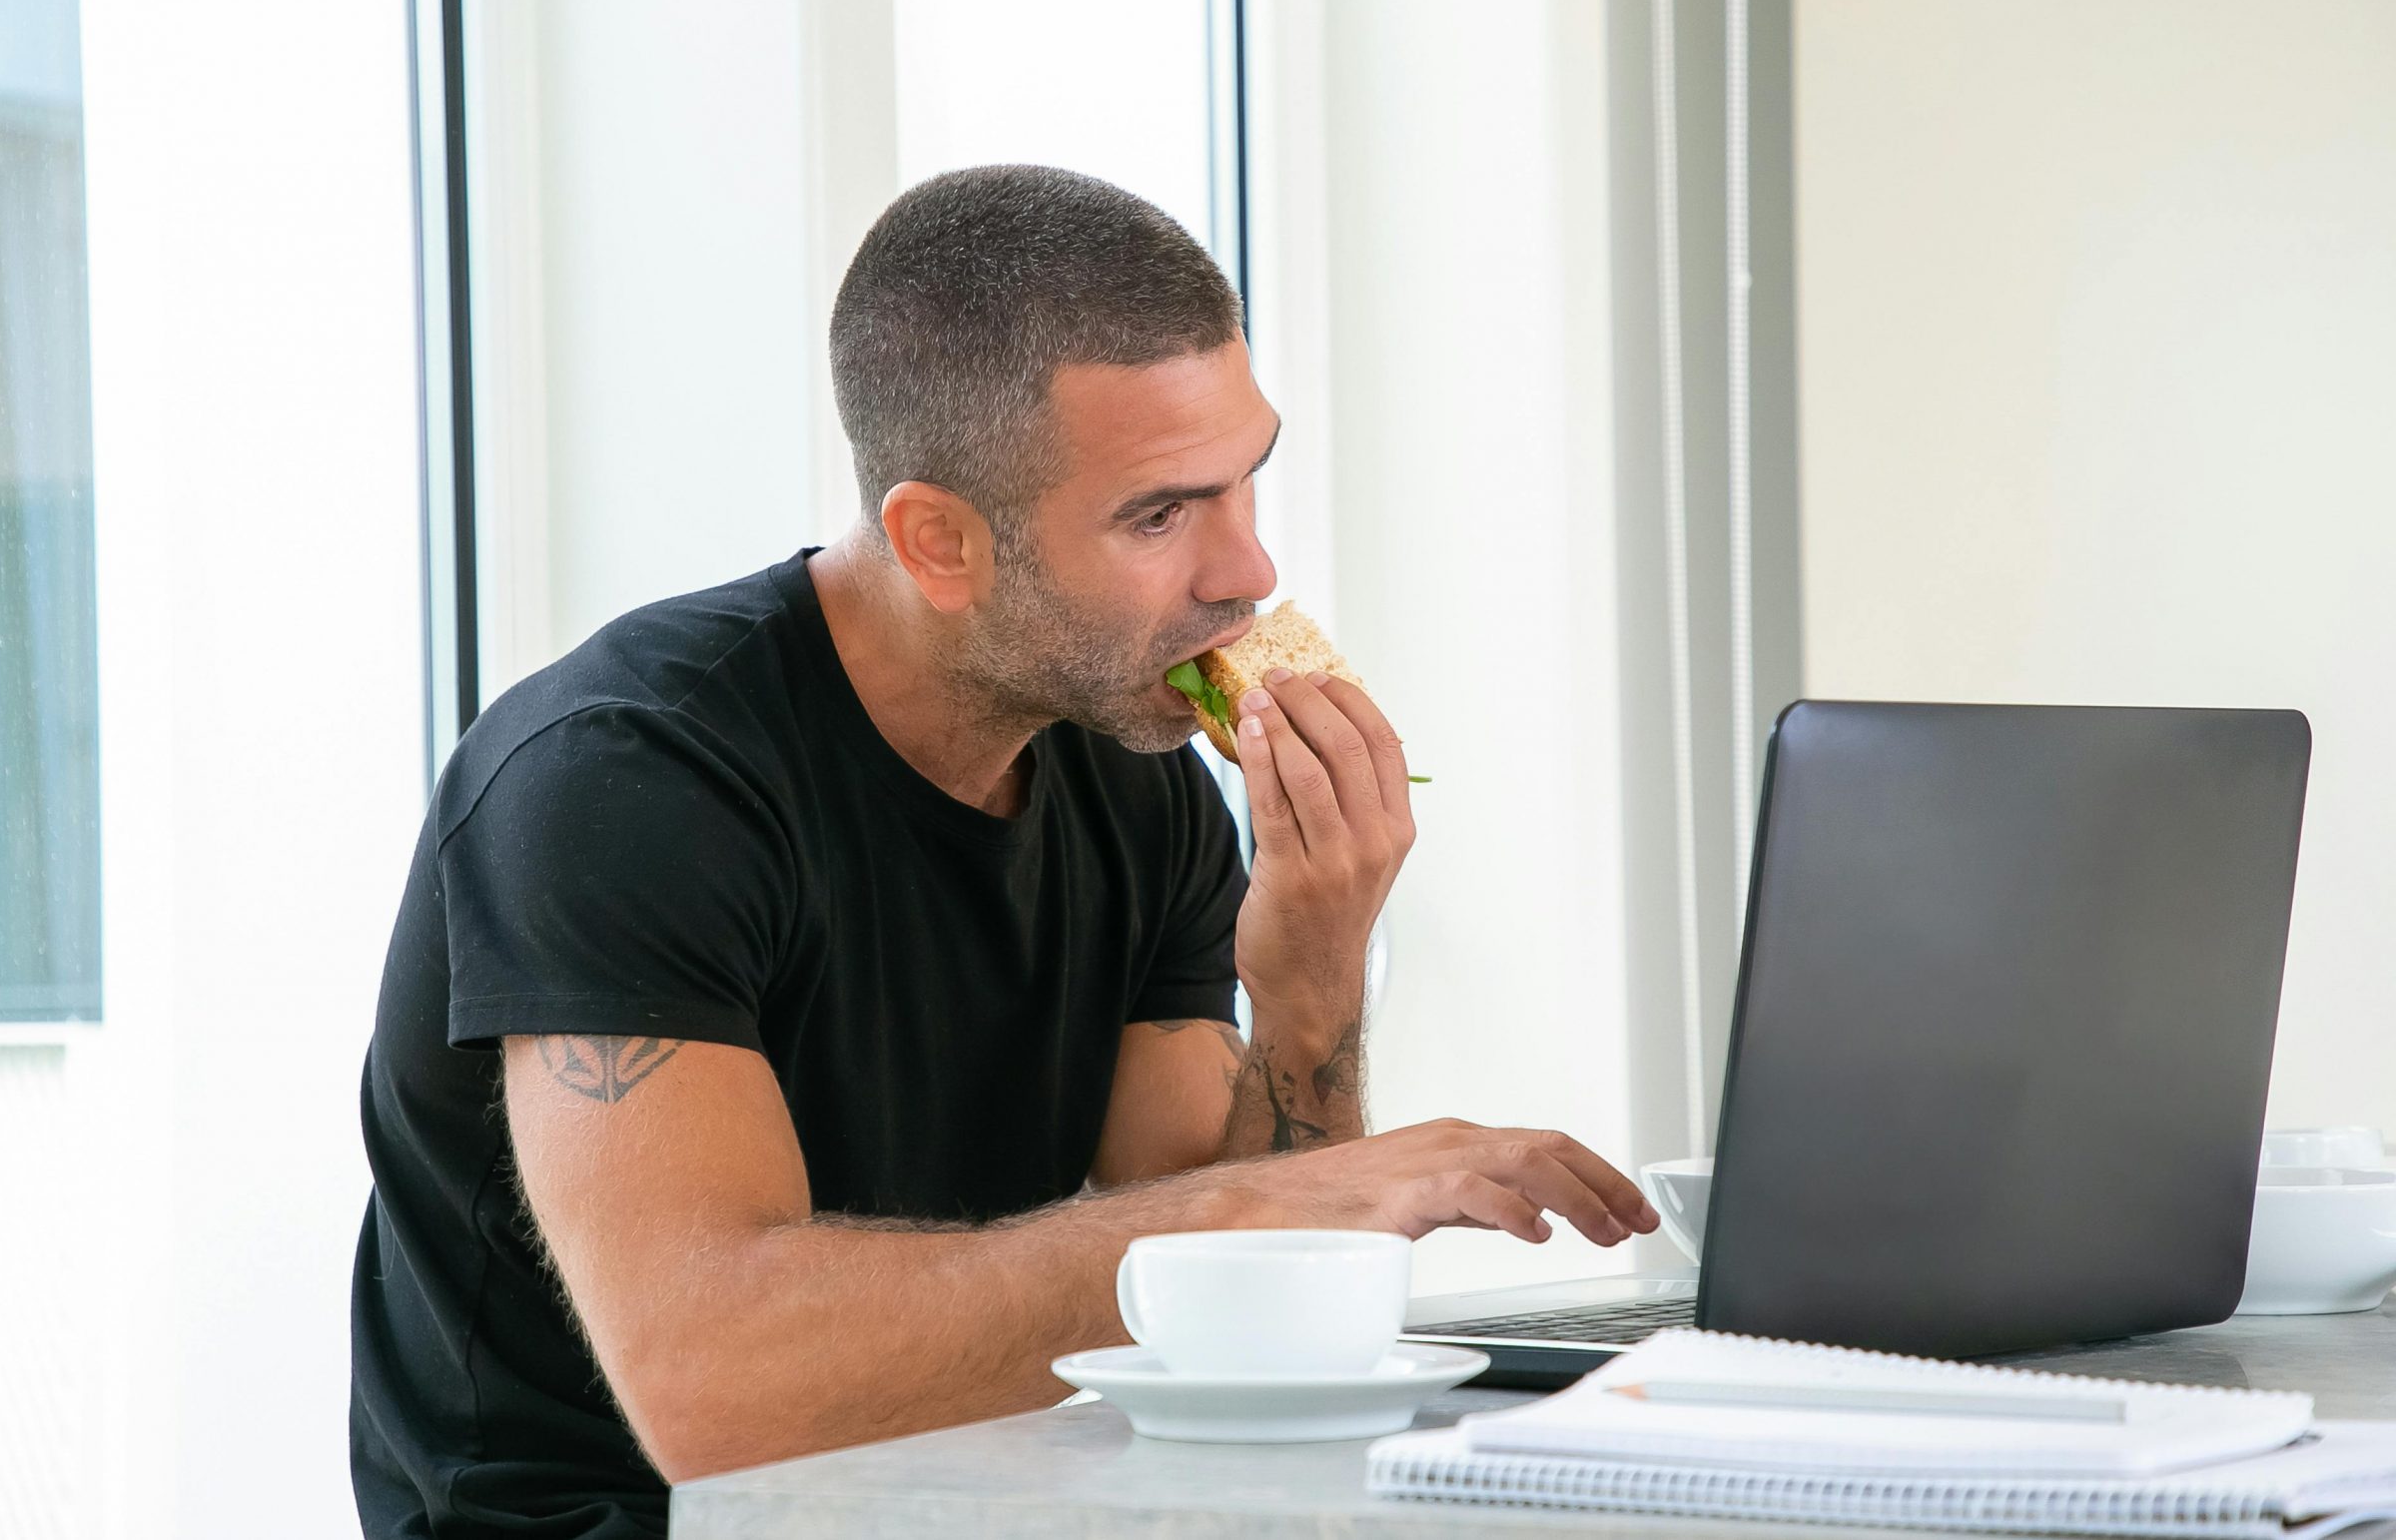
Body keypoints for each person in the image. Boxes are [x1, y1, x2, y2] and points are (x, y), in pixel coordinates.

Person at [349, 164, 1661, 1537]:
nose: (1248, 574)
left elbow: (1219, 1329)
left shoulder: (1134, 773)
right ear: (939, 542)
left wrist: (1312, 982)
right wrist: (1282, 1201)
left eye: (1245, 485)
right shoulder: (624, 782)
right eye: (1160, 515)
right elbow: (726, 1400)